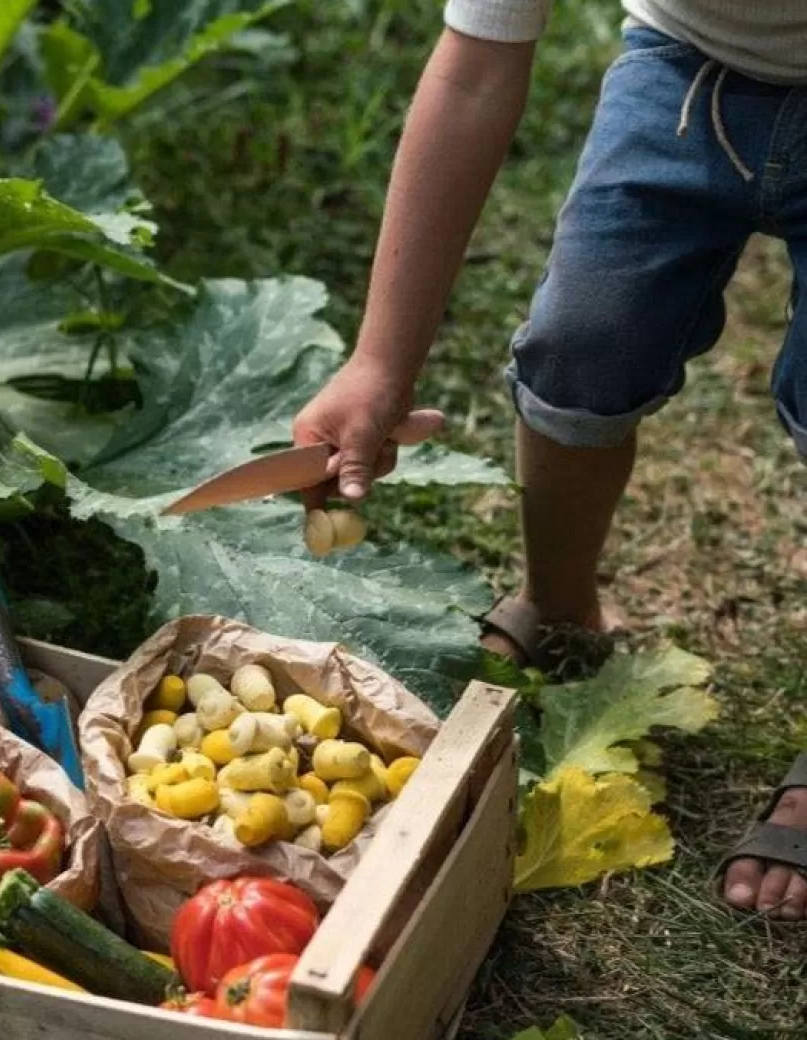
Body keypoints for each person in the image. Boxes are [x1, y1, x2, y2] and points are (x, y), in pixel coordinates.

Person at [292, 1, 807, 920]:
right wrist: (381, 363)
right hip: (687, 71)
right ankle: (560, 601)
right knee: (583, 343)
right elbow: (475, 69)